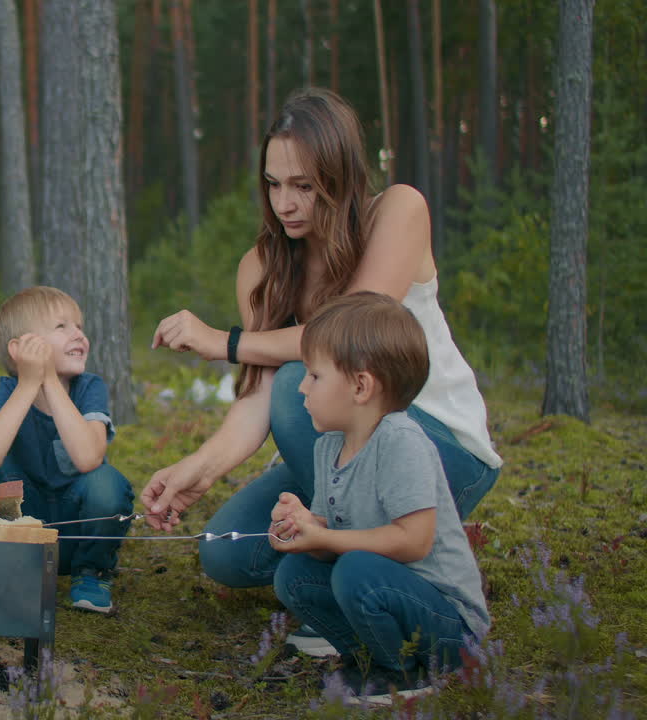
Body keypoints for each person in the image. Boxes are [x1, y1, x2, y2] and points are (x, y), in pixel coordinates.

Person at [141, 88, 501, 654]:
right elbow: (257, 399)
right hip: (338, 461)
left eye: (303, 185)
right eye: (273, 183)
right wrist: (200, 468)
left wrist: (224, 343)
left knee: (296, 382)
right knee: (224, 547)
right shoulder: (262, 267)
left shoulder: (398, 210)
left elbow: (347, 337)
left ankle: (379, 580)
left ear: (340, 175)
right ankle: (348, 575)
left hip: (439, 445)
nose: (284, 202)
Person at [268, 292, 489, 704]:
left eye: (314, 376)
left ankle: (399, 673)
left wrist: (326, 539)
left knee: (355, 572)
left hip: (445, 622)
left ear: (361, 385)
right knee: (293, 574)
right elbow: (326, 542)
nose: (301, 386)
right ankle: (367, 657)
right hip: (380, 590)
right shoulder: (328, 446)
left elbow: (413, 541)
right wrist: (303, 527)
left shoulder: (400, 441)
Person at [0, 286, 134, 614]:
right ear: (20, 348)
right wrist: (28, 384)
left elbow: (87, 459)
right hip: (19, 531)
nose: (78, 334)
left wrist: (50, 380)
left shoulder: (89, 388)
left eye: (79, 326)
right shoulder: (9, 390)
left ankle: (92, 573)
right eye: (61, 326)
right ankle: (3, 569)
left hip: (75, 532)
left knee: (105, 481)